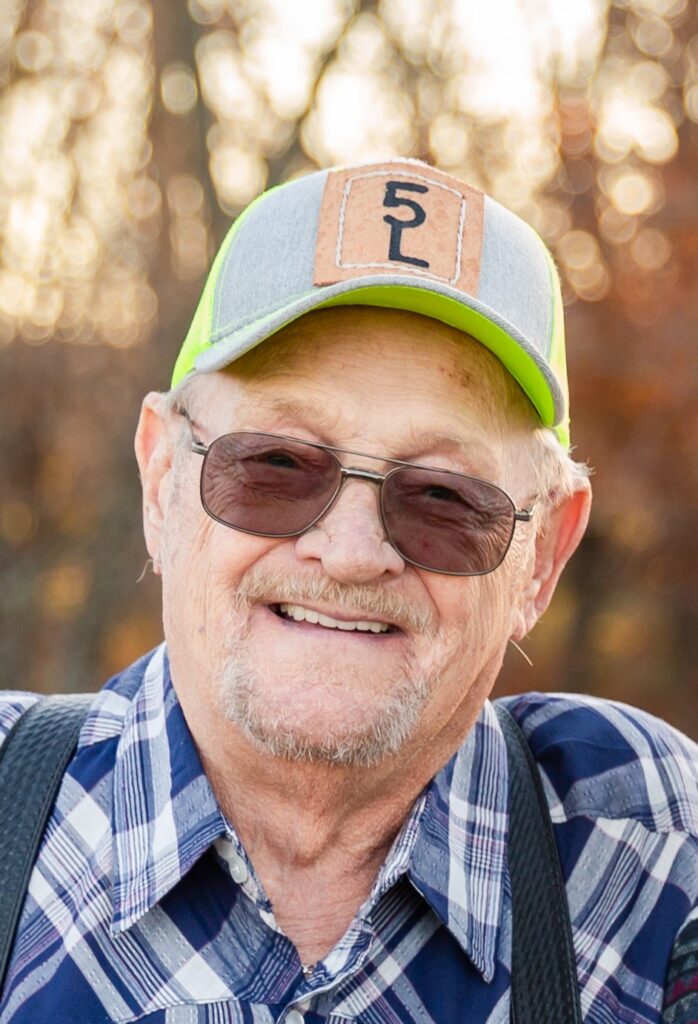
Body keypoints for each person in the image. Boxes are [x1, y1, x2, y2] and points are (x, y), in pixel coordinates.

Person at [0, 159, 696, 1024]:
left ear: (543, 556)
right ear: (160, 481)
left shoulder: (654, 864)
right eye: (277, 464)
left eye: (443, 498)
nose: (352, 553)